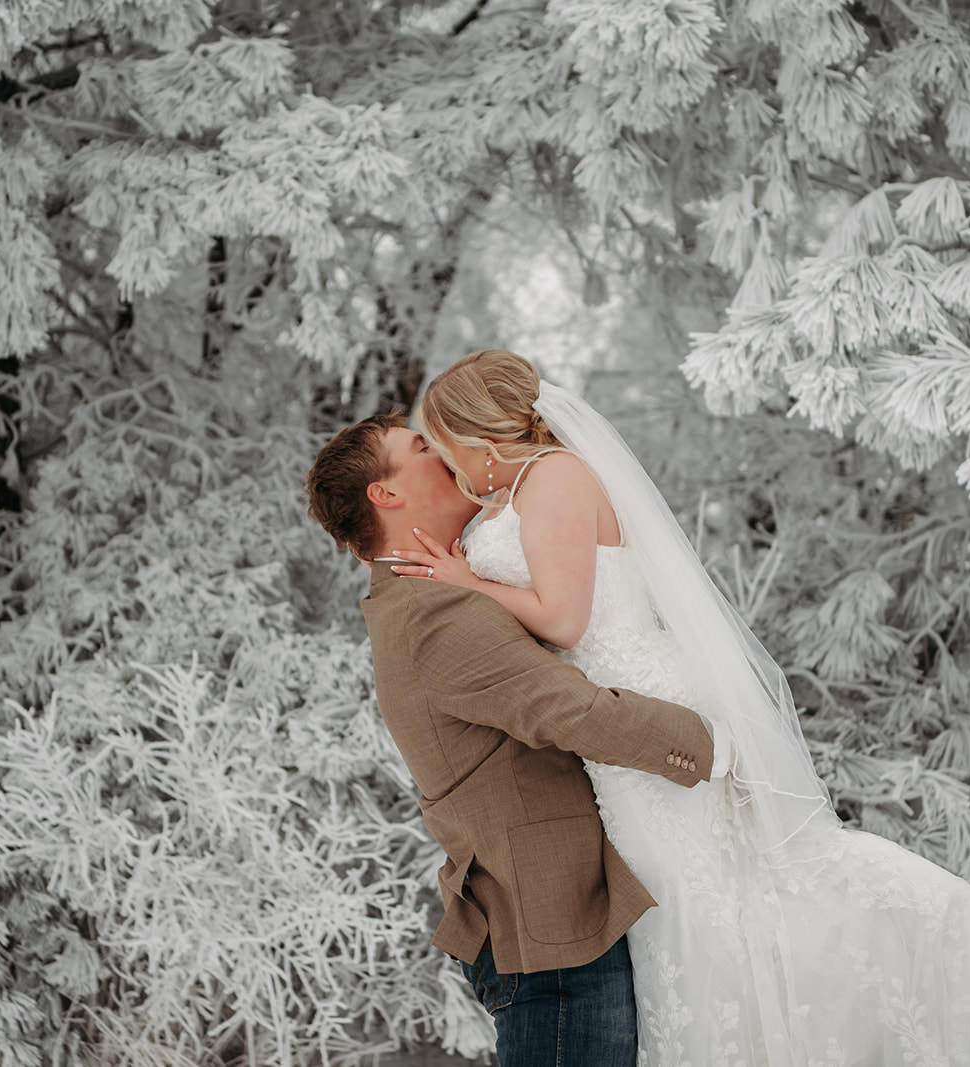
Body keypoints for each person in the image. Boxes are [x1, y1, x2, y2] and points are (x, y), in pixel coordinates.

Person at [386, 349, 970, 1067]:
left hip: (636, 703)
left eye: (444, 447)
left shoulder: (554, 479)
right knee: (694, 903)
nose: (448, 468)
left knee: (694, 898)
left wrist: (465, 581)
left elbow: (564, 619)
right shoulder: (522, 491)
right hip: (613, 727)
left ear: (480, 438)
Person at [303, 411, 735, 1067]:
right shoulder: (431, 612)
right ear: (385, 494)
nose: (444, 450)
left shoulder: (423, 593)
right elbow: (574, 711)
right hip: (554, 939)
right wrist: (714, 747)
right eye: (421, 446)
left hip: (554, 924)